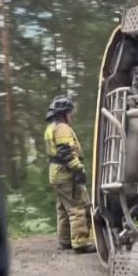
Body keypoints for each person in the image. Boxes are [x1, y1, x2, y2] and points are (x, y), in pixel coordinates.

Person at [44, 95, 96, 254]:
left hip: (56, 174)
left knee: (63, 208)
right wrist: (78, 169)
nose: (71, 116)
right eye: (69, 113)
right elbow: (65, 152)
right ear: (64, 113)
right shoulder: (62, 128)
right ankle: (80, 243)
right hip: (66, 173)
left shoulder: (50, 128)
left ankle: (65, 241)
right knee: (77, 207)